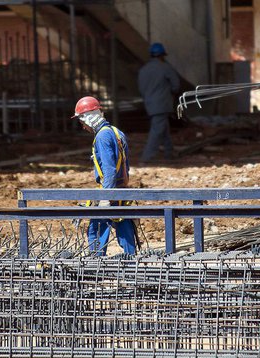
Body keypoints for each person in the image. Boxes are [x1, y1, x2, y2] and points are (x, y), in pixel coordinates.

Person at [72, 96, 137, 256]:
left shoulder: (102, 136)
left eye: (82, 122)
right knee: (123, 225)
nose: (83, 127)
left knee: (96, 229)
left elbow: (109, 169)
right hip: (121, 191)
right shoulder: (116, 132)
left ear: (89, 118)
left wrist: (105, 198)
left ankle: (96, 265)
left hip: (110, 191)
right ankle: (132, 262)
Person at [138, 42, 180, 163]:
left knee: (163, 128)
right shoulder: (165, 67)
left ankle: (169, 153)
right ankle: (146, 158)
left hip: (149, 104)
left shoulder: (143, 70)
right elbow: (176, 86)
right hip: (162, 104)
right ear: (162, 55)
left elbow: (141, 89)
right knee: (157, 130)